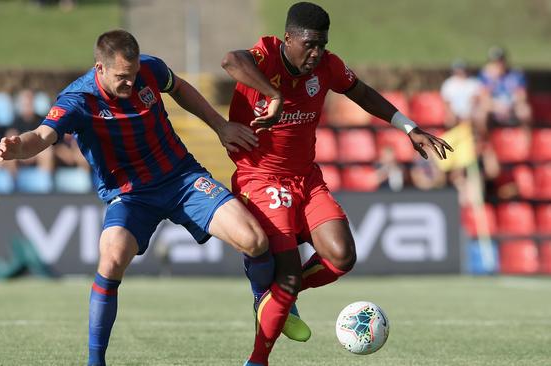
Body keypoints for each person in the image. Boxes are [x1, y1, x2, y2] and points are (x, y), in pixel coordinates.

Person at [0, 29, 271, 366]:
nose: (131, 83)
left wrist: (219, 125)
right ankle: (95, 362)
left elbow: (180, 87)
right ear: (100, 68)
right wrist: (17, 148)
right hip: (131, 194)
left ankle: (266, 304)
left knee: (255, 240)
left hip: (182, 177)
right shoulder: (78, 100)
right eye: (122, 78)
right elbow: (40, 135)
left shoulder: (150, 70)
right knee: (111, 259)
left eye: (134, 74)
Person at [221, 3, 453, 365]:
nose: (317, 53)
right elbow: (231, 61)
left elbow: (360, 92)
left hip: (307, 179)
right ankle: (258, 359)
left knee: (342, 256)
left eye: (322, 45)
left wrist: (411, 128)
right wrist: (275, 95)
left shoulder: (327, 66)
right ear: (288, 39)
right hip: (261, 178)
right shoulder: (264, 55)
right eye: (310, 44)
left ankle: (282, 291)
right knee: (286, 274)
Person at [475, 46, 532, 135]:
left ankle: (527, 141)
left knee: (525, 111)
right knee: (480, 115)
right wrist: (493, 80)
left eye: (500, 61)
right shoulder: (485, 76)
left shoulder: (516, 74)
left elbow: (522, 96)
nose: (498, 64)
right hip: (494, 107)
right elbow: (483, 97)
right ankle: (484, 142)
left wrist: (510, 106)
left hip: (512, 106)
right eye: (495, 61)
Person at [440, 59, 481, 128]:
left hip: (470, 114)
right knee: (449, 120)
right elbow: (446, 102)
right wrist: (451, 114)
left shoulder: (474, 83)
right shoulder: (449, 84)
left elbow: (476, 101)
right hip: (454, 114)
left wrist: (469, 114)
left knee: (478, 118)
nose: (461, 71)